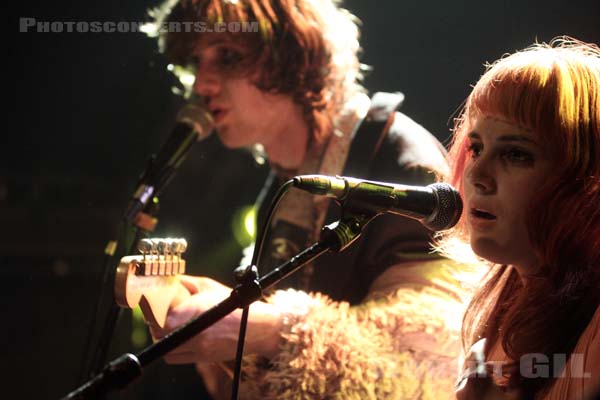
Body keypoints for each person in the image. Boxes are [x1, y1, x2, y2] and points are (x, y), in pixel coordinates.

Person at [140, 0, 468, 398]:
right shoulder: (283, 187)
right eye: (194, 61)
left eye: (227, 57)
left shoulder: (400, 162)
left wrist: (268, 330)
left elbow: (433, 366)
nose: (201, 84)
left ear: (293, 57)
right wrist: (218, 320)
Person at [439, 37, 600, 399]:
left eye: (515, 154)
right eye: (476, 147)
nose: (476, 173)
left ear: (584, 177)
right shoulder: (502, 293)